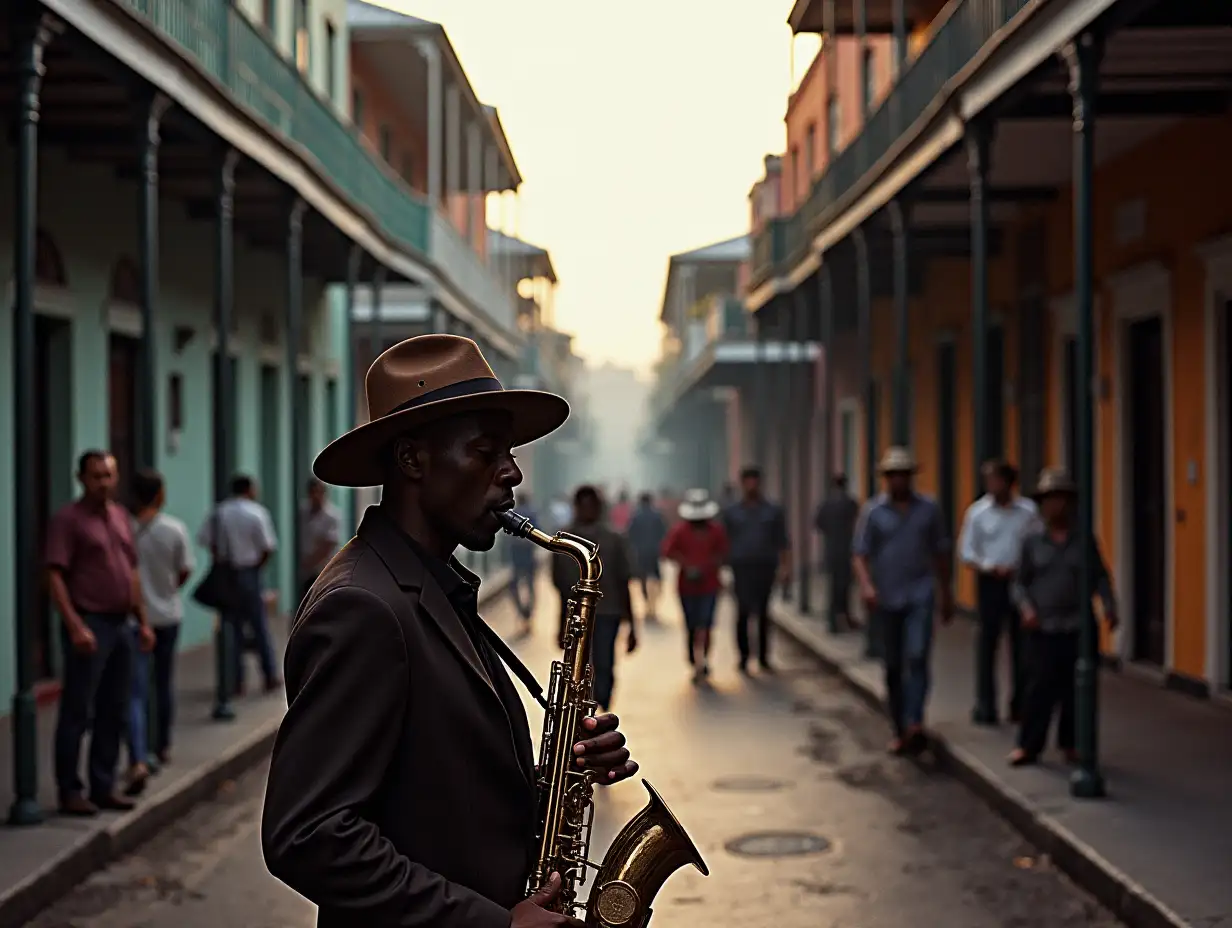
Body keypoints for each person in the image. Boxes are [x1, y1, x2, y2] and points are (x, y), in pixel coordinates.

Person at [262, 335, 640, 928]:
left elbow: (440, 796)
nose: (511, 472)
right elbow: (308, 835)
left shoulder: (428, 584)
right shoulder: (363, 606)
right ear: (413, 460)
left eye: (508, 452)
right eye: (487, 452)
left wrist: (565, 772)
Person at [46, 450, 155, 816]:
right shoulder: (68, 521)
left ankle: (103, 785)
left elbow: (132, 572)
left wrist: (142, 620)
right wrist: (74, 624)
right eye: (96, 476)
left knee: (115, 709)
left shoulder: (121, 517)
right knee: (78, 711)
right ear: (81, 478)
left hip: (122, 624)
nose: (103, 483)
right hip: (90, 624)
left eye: (109, 475)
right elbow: (54, 575)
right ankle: (70, 790)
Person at [1009, 468, 1118, 767]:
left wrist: (1109, 605)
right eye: (1050, 501)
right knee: (1039, 688)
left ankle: (1072, 743)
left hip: (1077, 624)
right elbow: (1019, 584)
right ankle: (1029, 745)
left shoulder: (1084, 540)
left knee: (1076, 690)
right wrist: (1027, 610)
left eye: (1061, 500)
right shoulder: (1032, 542)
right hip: (1042, 625)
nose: (1056, 506)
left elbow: (1100, 576)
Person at [852, 447, 953, 756]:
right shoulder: (873, 512)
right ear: (886, 479)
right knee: (893, 665)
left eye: (903, 475)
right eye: (893, 476)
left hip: (920, 593)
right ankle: (899, 727)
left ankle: (914, 722)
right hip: (886, 597)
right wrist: (867, 586)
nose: (898, 481)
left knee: (918, 655)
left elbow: (940, 553)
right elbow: (860, 554)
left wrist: (946, 593)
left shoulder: (929, 509)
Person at [958, 459, 1041, 726]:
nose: (991, 485)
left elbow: (1037, 543)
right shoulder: (978, 513)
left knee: (1022, 647)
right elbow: (967, 550)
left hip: (1021, 581)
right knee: (987, 644)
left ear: (1008, 482)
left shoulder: (1028, 512)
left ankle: (1020, 705)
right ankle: (986, 705)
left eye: (995, 479)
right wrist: (989, 566)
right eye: (988, 480)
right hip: (991, 582)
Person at [129, 469, 195, 776]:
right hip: (168, 615)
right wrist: (168, 590)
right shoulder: (175, 528)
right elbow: (184, 570)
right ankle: (162, 744)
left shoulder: (124, 528)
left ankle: (139, 753)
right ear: (160, 494)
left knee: (136, 688)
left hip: (134, 618)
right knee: (162, 682)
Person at [552, 485, 638, 710]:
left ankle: (602, 707)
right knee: (577, 668)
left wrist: (632, 625)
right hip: (576, 616)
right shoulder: (563, 541)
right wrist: (561, 624)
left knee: (605, 663)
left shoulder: (613, 539)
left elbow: (624, 582)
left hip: (608, 612)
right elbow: (560, 588)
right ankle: (583, 711)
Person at [197, 475, 281, 696]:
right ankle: (269, 674)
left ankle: (236, 680)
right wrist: (257, 567)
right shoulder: (256, 512)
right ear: (249, 490)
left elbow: (206, 541)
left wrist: (222, 557)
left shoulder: (219, 512)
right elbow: (268, 546)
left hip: (227, 573)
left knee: (230, 627)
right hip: (249, 572)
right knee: (259, 625)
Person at [721, 466, 790, 674]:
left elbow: (783, 541)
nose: (751, 485)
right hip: (741, 567)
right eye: (747, 481)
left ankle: (763, 656)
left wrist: (785, 567)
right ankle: (743, 656)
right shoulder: (732, 512)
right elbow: (724, 541)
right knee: (742, 612)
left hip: (765, 565)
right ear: (742, 484)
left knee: (764, 612)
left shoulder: (772, 511)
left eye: (754, 481)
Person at [661, 489, 729, 682]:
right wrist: (686, 564)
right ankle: (693, 656)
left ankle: (704, 659)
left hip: (709, 585)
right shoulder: (680, 530)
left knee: (706, 624)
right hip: (686, 587)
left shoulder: (716, 530)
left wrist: (708, 566)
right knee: (691, 624)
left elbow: (723, 552)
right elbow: (667, 551)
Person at [814, 473, 859, 633]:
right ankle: (843, 617)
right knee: (844, 586)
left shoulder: (826, 504)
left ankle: (834, 620)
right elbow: (857, 523)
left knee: (834, 586)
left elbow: (818, 524)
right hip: (846, 549)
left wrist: (830, 532)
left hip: (831, 549)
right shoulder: (851, 503)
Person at [625, 491, 667, 623]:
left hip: (640, 553)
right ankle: (653, 605)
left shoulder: (635, 517)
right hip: (654, 551)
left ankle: (646, 603)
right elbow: (663, 533)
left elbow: (630, 535)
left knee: (642, 579)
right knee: (657, 578)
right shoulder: (657, 516)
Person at [300, 477, 342, 604]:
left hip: (323, 568)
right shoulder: (303, 511)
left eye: (318, 492)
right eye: (312, 492)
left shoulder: (332, 515)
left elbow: (329, 544)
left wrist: (311, 562)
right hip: (305, 568)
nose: (315, 496)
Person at [507, 491, 539, 631]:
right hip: (529, 554)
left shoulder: (513, 514)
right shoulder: (532, 513)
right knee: (531, 585)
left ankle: (522, 612)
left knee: (514, 586)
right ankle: (529, 612)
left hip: (516, 556)